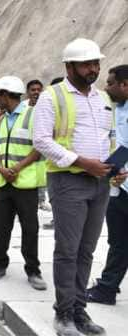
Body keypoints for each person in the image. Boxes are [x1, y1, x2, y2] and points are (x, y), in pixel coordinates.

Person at [33, 38, 123, 336]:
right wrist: (84, 163)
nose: (93, 69)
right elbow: (42, 141)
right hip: (68, 181)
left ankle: (79, 311)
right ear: (69, 66)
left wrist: (116, 167)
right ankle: (63, 314)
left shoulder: (102, 99)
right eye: (87, 64)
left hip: (100, 183)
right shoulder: (52, 96)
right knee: (68, 250)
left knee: (86, 250)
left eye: (96, 64)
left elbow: (108, 138)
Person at [0, 76, 47, 290]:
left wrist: (17, 169)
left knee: (30, 228)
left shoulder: (33, 115)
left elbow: (39, 148)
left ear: (5, 95)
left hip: (25, 183)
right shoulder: (2, 117)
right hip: (4, 182)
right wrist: (1, 167)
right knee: (2, 227)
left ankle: (33, 270)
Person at [87, 65, 128, 306]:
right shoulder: (113, 108)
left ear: (125, 84)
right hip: (117, 188)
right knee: (119, 241)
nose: (106, 87)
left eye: (111, 83)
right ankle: (107, 288)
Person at [42, 76, 67, 231]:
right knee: (55, 197)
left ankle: (59, 221)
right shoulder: (49, 108)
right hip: (54, 164)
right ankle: (56, 219)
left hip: (71, 164)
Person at [25, 79, 52, 212]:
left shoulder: (46, 106)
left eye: (38, 90)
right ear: (27, 92)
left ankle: (41, 200)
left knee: (41, 173)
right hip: (26, 148)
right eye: (33, 90)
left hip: (42, 147)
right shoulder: (23, 107)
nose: (36, 92)